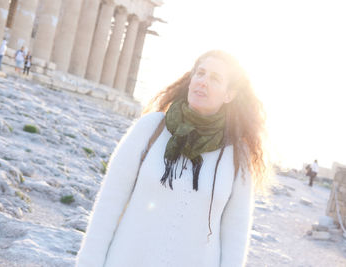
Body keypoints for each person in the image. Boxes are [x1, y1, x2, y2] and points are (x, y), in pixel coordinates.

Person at [76, 50, 268, 267]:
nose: (203, 82)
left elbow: (235, 239)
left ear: (229, 95)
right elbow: (108, 206)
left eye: (215, 78)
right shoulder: (150, 128)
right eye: (200, 73)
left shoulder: (237, 157)